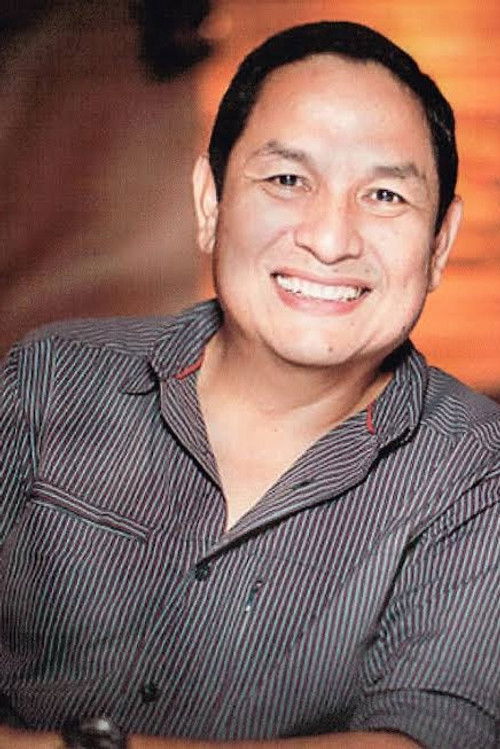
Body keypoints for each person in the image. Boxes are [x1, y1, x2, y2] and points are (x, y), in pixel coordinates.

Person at [0, 20, 498, 749]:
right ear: (211, 203)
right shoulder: (48, 382)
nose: (330, 240)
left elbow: (426, 737)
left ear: (440, 245)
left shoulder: (475, 472)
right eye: (287, 180)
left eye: (386, 195)